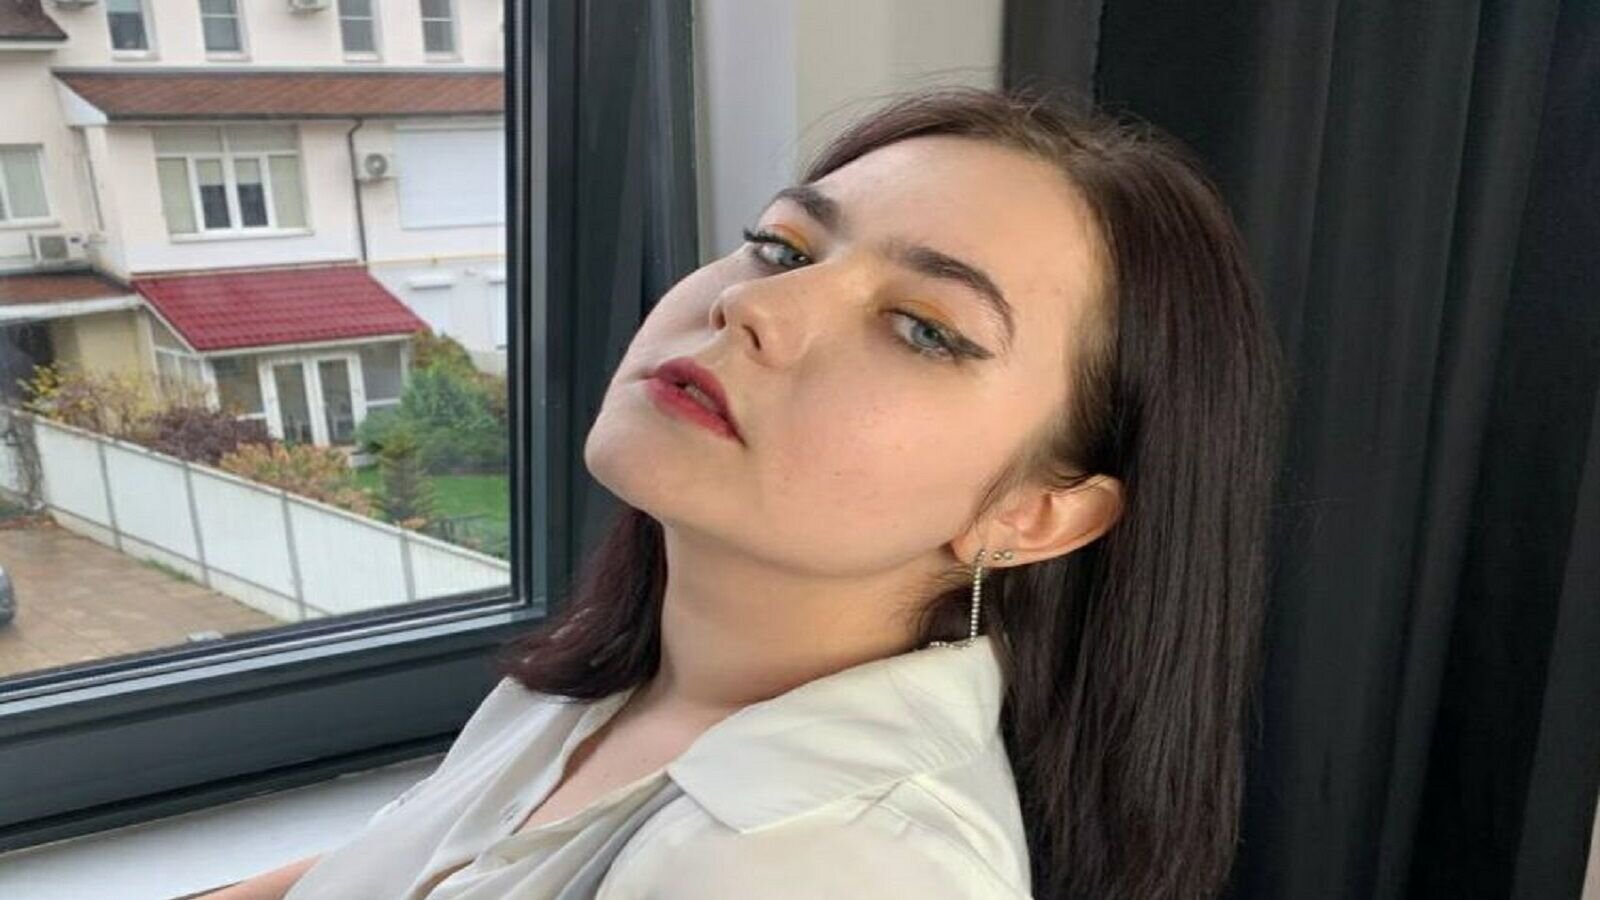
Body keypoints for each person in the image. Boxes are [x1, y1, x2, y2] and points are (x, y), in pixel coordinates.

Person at [207, 84, 1285, 900]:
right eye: (781, 247)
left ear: (1035, 515)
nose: (755, 309)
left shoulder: (819, 866)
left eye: (923, 329)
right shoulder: (621, 682)